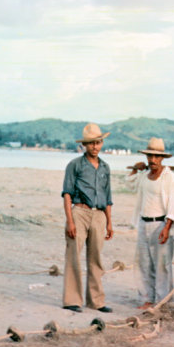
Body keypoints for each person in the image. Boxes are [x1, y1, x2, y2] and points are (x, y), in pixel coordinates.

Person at [61, 123, 114, 313]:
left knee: (96, 258)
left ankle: (96, 301)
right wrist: (70, 220)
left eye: (98, 142)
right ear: (84, 145)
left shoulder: (105, 168)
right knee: (74, 255)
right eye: (91, 143)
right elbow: (67, 194)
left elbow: (108, 198)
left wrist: (109, 222)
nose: (95, 147)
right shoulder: (74, 165)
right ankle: (72, 300)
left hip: (99, 215)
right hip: (79, 213)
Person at [128, 137, 174, 309]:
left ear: (162, 158)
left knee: (162, 266)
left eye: (156, 157)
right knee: (144, 264)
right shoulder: (144, 176)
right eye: (150, 156)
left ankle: (163, 302)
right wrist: (135, 170)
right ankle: (147, 299)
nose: (152, 160)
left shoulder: (170, 178)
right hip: (144, 223)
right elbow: (129, 184)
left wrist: (167, 227)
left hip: (161, 224)